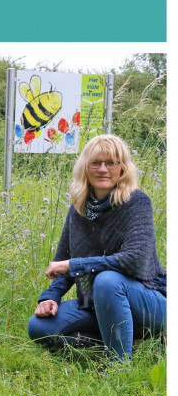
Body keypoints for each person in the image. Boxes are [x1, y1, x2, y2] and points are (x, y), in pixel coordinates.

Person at [27, 134, 166, 362]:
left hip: (150, 304)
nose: (103, 169)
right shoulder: (79, 208)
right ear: (86, 167)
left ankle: (118, 368)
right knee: (39, 326)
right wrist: (50, 297)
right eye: (96, 163)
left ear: (122, 168)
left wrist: (74, 265)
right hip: (96, 305)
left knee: (107, 280)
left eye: (111, 163)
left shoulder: (137, 202)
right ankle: (109, 347)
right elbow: (64, 260)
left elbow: (135, 259)